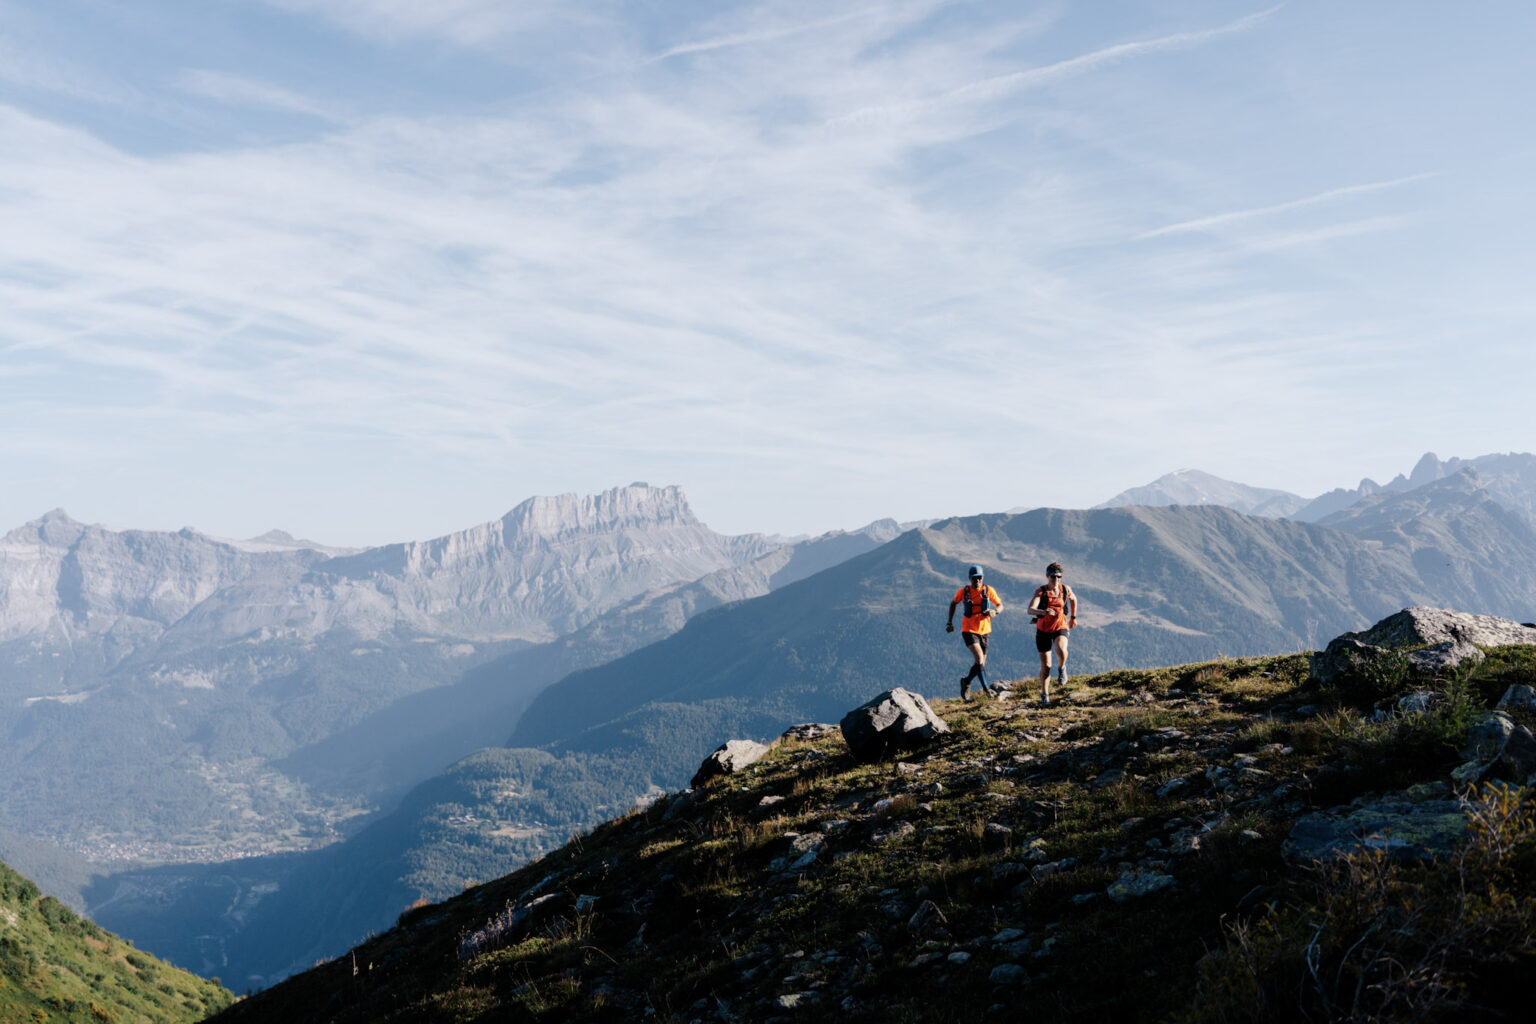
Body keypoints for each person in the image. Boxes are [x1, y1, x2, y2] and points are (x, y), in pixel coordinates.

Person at [946, 564, 1004, 700]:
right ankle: (986, 690)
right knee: (979, 658)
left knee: (981, 663)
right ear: (969, 578)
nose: (977, 581)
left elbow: (1000, 605)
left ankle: (966, 681)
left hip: (985, 630)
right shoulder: (963, 592)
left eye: (979, 578)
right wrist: (949, 622)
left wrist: (995, 611)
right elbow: (953, 603)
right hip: (968, 629)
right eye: (974, 578)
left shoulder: (988, 590)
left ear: (982, 578)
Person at [1027, 561, 1076, 705]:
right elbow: (1030, 610)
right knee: (1046, 666)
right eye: (1053, 577)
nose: (1056, 580)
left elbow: (1074, 600)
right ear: (1047, 576)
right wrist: (1043, 612)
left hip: (1060, 626)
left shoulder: (1065, 590)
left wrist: (1072, 618)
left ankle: (1062, 668)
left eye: (1059, 577)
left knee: (1061, 649)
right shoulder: (1041, 592)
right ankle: (1044, 694)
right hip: (1043, 631)